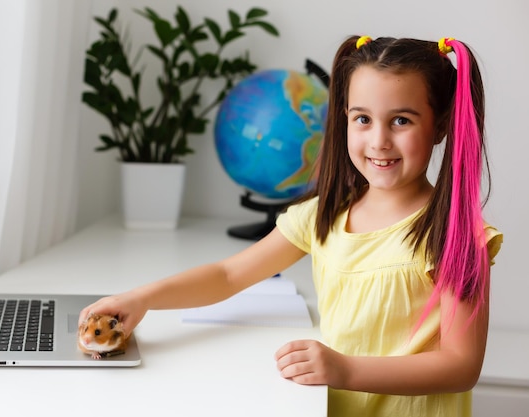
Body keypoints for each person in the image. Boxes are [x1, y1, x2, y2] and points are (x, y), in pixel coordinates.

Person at [80, 35, 503, 417]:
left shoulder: (455, 234)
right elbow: (228, 275)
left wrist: (345, 369)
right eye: (362, 119)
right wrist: (141, 298)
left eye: (401, 120)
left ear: (442, 125)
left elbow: (460, 365)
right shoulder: (324, 214)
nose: (378, 141)